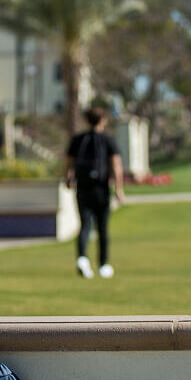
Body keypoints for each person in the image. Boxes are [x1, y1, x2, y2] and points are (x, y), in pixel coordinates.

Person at [64, 107, 125, 279]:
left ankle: (82, 258)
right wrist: (119, 189)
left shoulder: (78, 140)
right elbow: (116, 165)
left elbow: (68, 162)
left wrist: (68, 178)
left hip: (83, 187)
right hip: (101, 188)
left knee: (84, 225)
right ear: (103, 120)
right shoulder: (107, 140)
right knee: (102, 228)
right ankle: (103, 264)